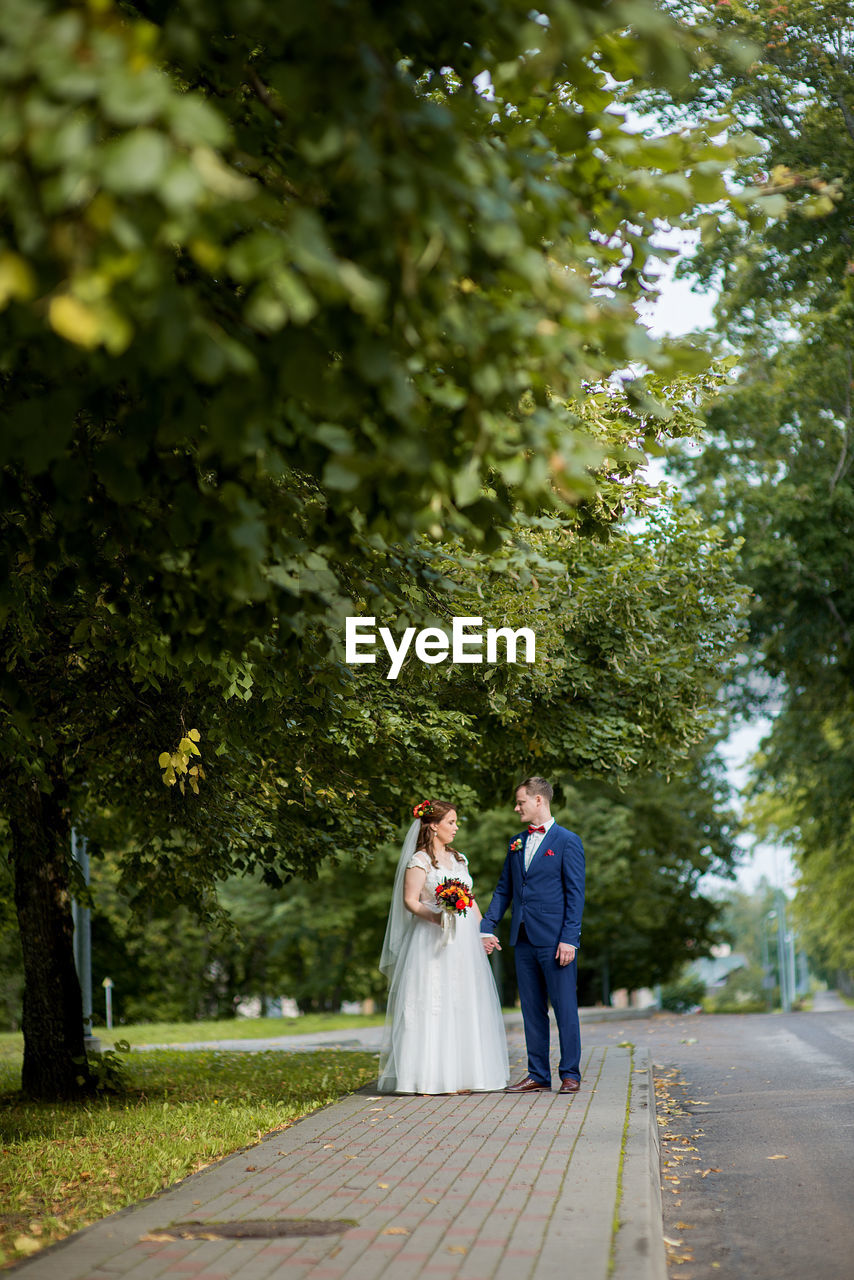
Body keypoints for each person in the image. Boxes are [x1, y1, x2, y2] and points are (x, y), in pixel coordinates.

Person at [377, 799, 510, 1095]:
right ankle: (427, 1078)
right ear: (434, 825)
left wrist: (482, 933)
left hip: (462, 942)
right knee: (432, 1002)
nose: (456, 827)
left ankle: (463, 1076)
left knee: (462, 1001)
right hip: (430, 940)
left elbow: (470, 900)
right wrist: (436, 916)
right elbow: (410, 901)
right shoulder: (419, 860)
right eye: (451, 822)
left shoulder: (459, 858)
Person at [480, 777, 585, 1094]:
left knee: (564, 1008)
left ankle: (570, 1074)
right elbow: (504, 889)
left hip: (556, 941)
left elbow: (575, 894)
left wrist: (570, 938)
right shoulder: (516, 843)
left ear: (539, 800)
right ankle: (538, 1074)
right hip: (522, 938)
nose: (516, 807)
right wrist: (487, 925)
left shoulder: (568, 841)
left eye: (520, 801)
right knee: (532, 1010)